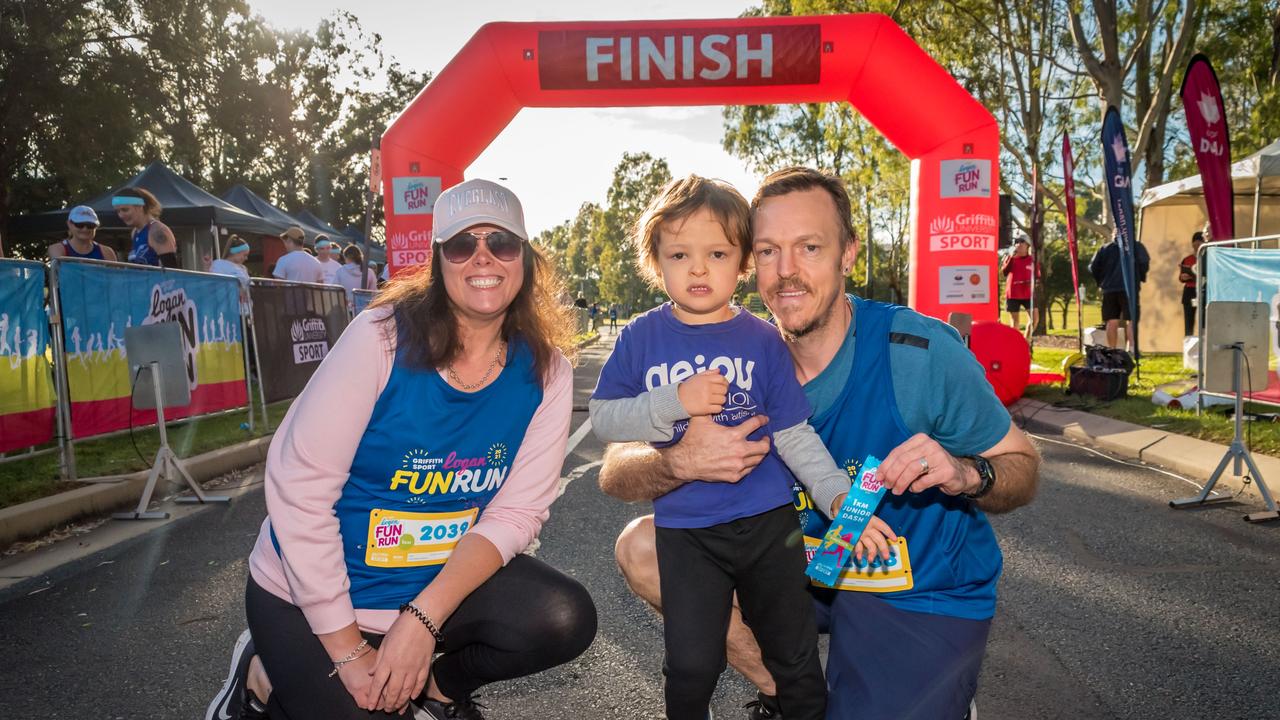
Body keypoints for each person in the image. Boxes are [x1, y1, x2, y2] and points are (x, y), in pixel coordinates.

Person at [601, 167, 1041, 720]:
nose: (786, 272)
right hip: (793, 566)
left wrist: (966, 472)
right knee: (643, 548)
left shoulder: (918, 353)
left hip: (914, 585)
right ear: (747, 261)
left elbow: (1021, 466)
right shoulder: (740, 353)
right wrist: (678, 462)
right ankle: (777, 689)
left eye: (809, 247)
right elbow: (615, 468)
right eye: (767, 251)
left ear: (847, 253)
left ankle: (923, 689)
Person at [205, 179, 596, 720]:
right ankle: (260, 676)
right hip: (312, 595)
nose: (483, 257)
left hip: (431, 589)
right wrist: (347, 649)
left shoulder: (548, 373)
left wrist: (422, 619)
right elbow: (299, 489)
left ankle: (436, 690)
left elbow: (517, 512)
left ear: (525, 259)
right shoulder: (380, 338)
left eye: (501, 242)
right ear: (440, 262)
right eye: (463, 245)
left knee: (562, 614)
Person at [591, 176, 894, 720]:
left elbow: (795, 434)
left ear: (743, 262)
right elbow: (605, 418)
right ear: (655, 261)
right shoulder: (639, 338)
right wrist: (672, 401)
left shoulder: (761, 339)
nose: (699, 268)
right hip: (687, 535)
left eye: (717, 253)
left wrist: (839, 500)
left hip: (768, 528)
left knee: (795, 661)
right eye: (680, 254)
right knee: (691, 666)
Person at [1089, 230, 1151, 350]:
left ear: (1114, 235)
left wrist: (1101, 281)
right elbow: (1144, 263)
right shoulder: (1136, 247)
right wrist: (1140, 277)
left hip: (1109, 289)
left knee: (1112, 321)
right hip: (1129, 288)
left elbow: (1093, 267)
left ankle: (1112, 350)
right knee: (1131, 320)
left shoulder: (1104, 249)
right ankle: (1132, 349)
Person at [114, 187, 178, 268]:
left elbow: (171, 269)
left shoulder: (157, 230)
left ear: (140, 207)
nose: (121, 215)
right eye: (118, 211)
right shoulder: (135, 232)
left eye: (125, 210)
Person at [48, 206, 117, 261]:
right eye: (79, 224)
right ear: (69, 224)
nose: (85, 229)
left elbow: (114, 277)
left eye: (90, 225)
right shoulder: (58, 249)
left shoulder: (107, 252)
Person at [1001, 236, 1036, 340]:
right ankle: (1016, 343)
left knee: (1034, 318)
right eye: (1016, 242)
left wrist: (1033, 282)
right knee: (1015, 321)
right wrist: (1011, 258)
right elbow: (1004, 272)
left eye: (1022, 242)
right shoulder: (1010, 257)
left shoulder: (1032, 260)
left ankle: (1025, 342)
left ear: (1027, 245)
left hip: (1028, 293)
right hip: (1013, 293)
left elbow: (1037, 275)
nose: (1018, 244)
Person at [211, 236, 252, 312]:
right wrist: (237, 289)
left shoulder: (243, 268)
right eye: (244, 255)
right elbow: (216, 284)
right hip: (228, 310)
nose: (246, 258)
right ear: (235, 252)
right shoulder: (218, 264)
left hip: (245, 311)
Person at [1179, 230, 1206, 337]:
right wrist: (1183, 277)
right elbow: (1181, 277)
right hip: (1189, 291)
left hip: (1203, 290)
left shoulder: (1207, 258)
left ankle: (1203, 342)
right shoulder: (1187, 259)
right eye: (1195, 242)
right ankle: (1188, 343)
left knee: (1203, 320)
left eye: (1200, 242)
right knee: (1189, 321)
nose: (1197, 244)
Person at [335, 244, 379, 310]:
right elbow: (374, 293)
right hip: (363, 310)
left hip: (345, 310)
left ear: (346, 257)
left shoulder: (340, 271)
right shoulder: (369, 272)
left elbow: (334, 291)